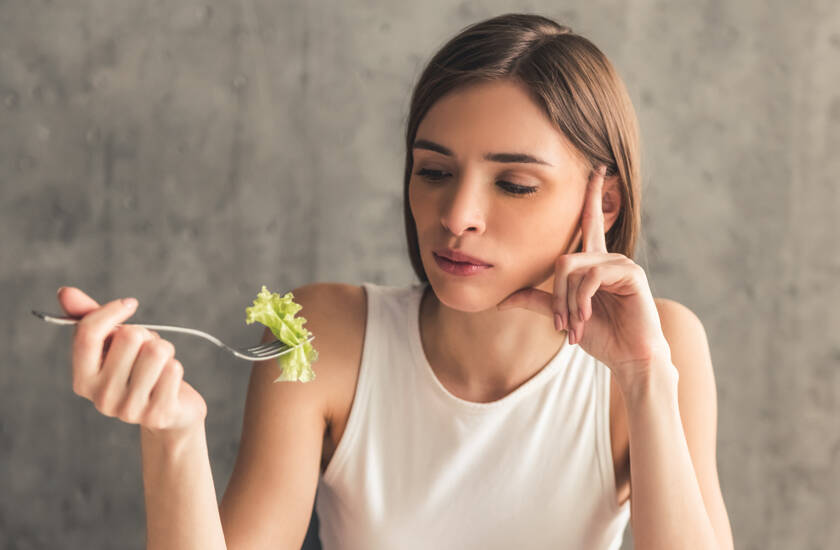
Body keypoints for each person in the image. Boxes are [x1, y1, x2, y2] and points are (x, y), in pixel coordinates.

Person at [57, 12, 734, 550]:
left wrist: (646, 377)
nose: (457, 216)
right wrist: (173, 435)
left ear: (604, 203)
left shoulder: (665, 346)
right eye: (434, 172)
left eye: (515, 184)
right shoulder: (319, 333)